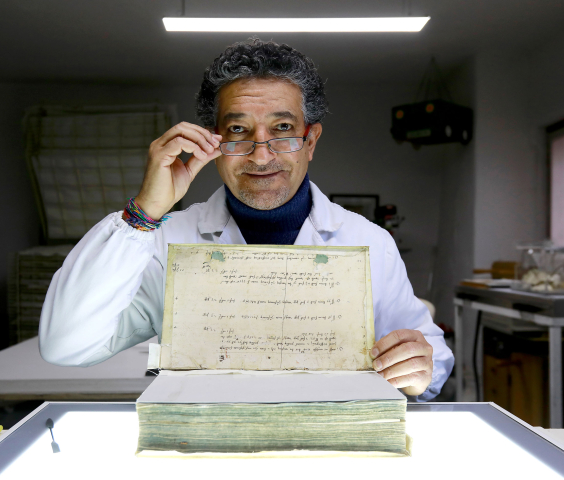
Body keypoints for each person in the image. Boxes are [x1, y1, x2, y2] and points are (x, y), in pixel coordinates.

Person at [39, 38, 453, 401]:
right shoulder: (167, 240)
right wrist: (143, 213)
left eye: (283, 127)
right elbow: (66, 346)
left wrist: (420, 368)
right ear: (212, 141)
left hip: (328, 447)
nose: (261, 154)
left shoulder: (370, 242)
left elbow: (430, 356)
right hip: (204, 447)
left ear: (310, 141)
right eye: (238, 129)